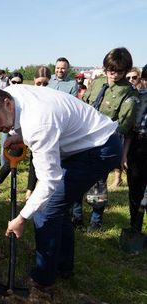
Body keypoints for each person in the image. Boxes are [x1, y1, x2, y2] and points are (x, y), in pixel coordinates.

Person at [0, 86, 121, 289]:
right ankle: (62, 267)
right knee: (58, 206)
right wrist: (20, 136)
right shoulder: (8, 94)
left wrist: (21, 218)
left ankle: (42, 280)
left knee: (46, 208)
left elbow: (49, 181)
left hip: (99, 148)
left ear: (7, 104)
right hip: (82, 144)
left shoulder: (38, 123)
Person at [79, 47, 139, 232]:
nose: (114, 74)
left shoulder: (129, 93)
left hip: (103, 142)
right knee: (76, 178)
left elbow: (123, 126)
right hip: (81, 138)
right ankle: (76, 217)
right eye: (110, 70)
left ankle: (96, 221)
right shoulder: (97, 83)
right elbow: (83, 105)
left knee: (98, 183)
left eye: (119, 71)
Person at [0, 66, 50, 199]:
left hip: (37, 134)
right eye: (39, 83)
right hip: (18, 135)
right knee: (10, 161)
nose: (41, 86)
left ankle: (30, 191)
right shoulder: (18, 95)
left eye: (45, 83)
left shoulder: (45, 96)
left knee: (34, 163)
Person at [122, 64, 147, 232]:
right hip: (137, 146)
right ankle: (135, 227)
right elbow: (130, 130)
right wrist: (124, 155)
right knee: (135, 188)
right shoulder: (138, 98)